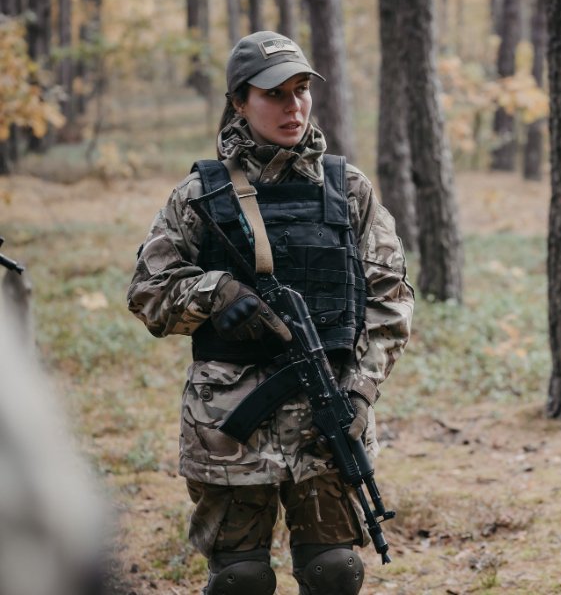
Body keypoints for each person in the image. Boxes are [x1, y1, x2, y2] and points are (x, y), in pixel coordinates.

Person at [127, 31, 414, 595]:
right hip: (228, 425)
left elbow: (390, 299)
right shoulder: (200, 196)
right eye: (274, 93)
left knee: (336, 570)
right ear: (240, 101)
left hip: (328, 418)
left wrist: (359, 392)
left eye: (301, 90)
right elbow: (148, 292)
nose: (293, 107)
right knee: (241, 579)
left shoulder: (348, 190)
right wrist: (215, 293)